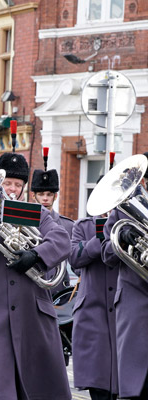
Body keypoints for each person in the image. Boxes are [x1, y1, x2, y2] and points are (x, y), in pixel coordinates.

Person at [0, 152, 71, 400]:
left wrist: (36, 255)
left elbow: (62, 240)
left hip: (33, 313)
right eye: (8, 183)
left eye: (18, 185)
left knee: (40, 389)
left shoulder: (34, 212)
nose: (12, 189)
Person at [101, 155, 148, 400]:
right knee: (134, 385)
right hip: (134, 299)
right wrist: (123, 238)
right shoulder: (121, 209)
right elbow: (106, 255)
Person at [69, 210, 118, 400]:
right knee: (98, 382)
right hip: (92, 313)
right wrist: (101, 240)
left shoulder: (130, 223)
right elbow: (74, 258)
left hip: (124, 310)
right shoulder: (82, 226)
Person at [30, 153, 74, 295]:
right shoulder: (24, 223)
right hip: (32, 289)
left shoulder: (68, 226)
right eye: (41, 194)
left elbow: (75, 262)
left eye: (49, 194)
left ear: (55, 196)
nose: (45, 198)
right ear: (33, 196)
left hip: (60, 292)